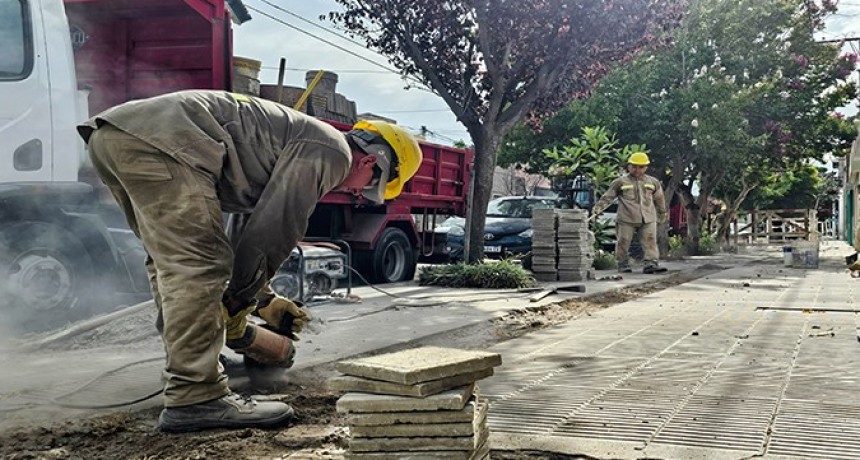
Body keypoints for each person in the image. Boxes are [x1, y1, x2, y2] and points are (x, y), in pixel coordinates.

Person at [77, 90, 422, 433]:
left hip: (118, 136)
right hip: (162, 143)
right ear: (371, 162)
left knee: (174, 264)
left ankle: (197, 364)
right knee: (198, 266)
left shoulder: (301, 138)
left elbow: (248, 225)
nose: (359, 193)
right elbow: (277, 227)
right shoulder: (334, 152)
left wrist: (262, 299)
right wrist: (239, 299)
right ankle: (195, 396)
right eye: (371, 186)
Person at [591, 152, 668, 274]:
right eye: (634, 166)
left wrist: (662, 212)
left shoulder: (653, 182)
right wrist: (599, 208)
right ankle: (623, 264)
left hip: (648, 217)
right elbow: (608, 196)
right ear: (629, 166)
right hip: (627, 218)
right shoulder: (620, 182)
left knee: (650, 240)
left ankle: (651, 263)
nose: (637, 170)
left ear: (646, 167)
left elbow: (659, 198)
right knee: (623, 241)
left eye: (641, 167)